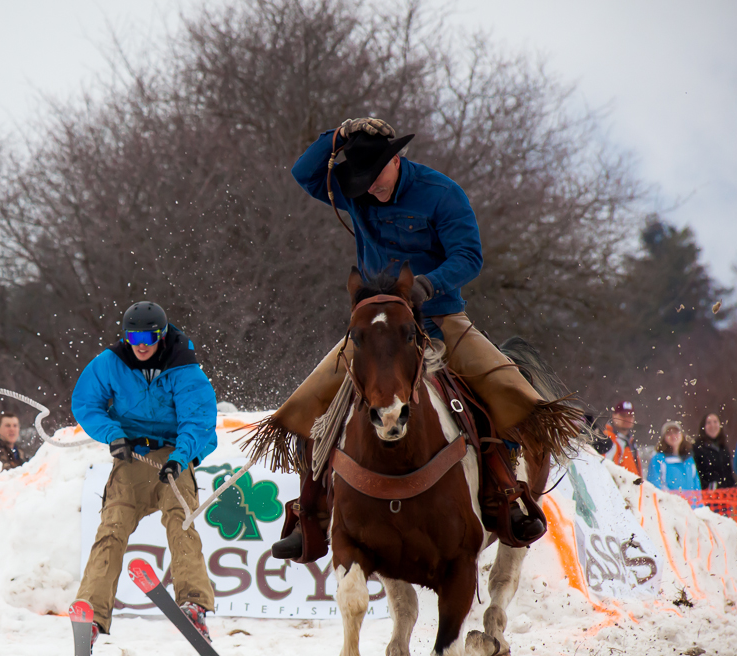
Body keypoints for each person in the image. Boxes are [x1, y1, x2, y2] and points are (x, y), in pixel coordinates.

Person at [262, 117, 580, 560]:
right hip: (378, 327)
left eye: (375, 177)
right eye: (361, 180)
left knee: (508, 391)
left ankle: (508, 497)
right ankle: (310, 517)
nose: (368, 188)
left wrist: (428, 284)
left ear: (396, 159)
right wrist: (336, 135)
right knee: (304, 406)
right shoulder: (355, 190)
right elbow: (305, 174)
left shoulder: (441, 193)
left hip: (438, 317)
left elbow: (469, 256)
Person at [71, 301, 218, 646]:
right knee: (112, 527)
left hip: (172, 455)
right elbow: (86, 403)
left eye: (148, 337)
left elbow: (198, 421)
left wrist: (181, 457)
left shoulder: (185, 369)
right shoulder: (111, 363)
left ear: (162, 336)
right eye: (133, 336)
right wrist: (113, 435)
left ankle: (193, 603)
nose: (140, 344)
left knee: (181, 521)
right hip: (132, 452)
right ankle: (92, 612)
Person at [646, 422, 702, 493]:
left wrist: (699, 503)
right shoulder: (658, 458)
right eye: (669, 433)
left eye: (676, 432)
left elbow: (696, 485)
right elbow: (654, 484)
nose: (673, 436)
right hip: (668, 502)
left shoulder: (689, 459)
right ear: (664, 438)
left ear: (682, 435)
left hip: (690, 502)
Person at [692, 412, 737, 490]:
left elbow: (728, 472)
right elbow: (696, 473)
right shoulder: (697, 448)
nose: (712, 425)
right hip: (708, 495)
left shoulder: (723, 447)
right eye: (709, 423)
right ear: (703, 427)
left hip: (727, 494)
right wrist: (707, 486)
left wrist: (733, 487)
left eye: (715, 422)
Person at [596, 400, 642, 477]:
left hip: (630, 487)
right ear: (614, 416)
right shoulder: (608, 439)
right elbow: (604, 470)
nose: (627, 419)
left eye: (630, 415)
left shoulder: (630, 441)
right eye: (623, 415)